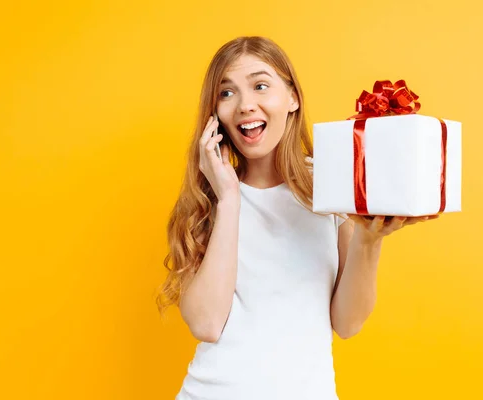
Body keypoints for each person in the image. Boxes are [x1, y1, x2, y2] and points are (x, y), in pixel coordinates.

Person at [157, 36, 436, 400]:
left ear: (293, 98)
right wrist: (229, 199)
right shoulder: (210, 197)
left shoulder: (332, 186)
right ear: (214, 116)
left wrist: (369, 240)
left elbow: (348, 323)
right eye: (227, 93)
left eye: (260, 86)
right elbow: (207, 324)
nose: (245, 105)